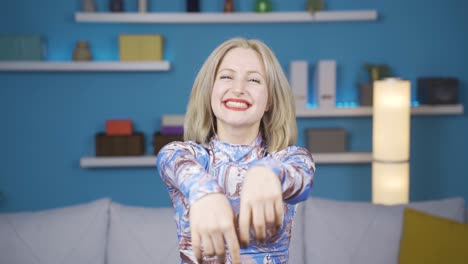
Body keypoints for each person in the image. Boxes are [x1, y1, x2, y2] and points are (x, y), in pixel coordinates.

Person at [157, 37, 315, 264]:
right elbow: (171, 160)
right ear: (210, 91)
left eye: (253, 80)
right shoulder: (184, 155)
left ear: (269, 100)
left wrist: (267, 171)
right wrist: (206, 193)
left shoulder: (292, 158)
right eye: (226, 76)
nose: (238, 88)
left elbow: (302, 179)